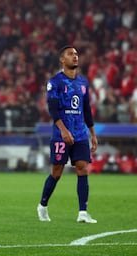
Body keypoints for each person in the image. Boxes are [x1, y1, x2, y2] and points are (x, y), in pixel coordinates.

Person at [37, 45, 98, 223]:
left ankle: (83, 213)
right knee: (57, 172)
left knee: (82, 168)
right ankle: (42, 205)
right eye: (71, 54)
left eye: (77, 54)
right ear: (62, 60)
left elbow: (86, 110)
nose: (75, 57)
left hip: (80, 134)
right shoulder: (55, 82)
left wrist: (92, 134)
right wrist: (63, 131)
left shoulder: (83, 83)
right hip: (60, 135)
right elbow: (53, 110)